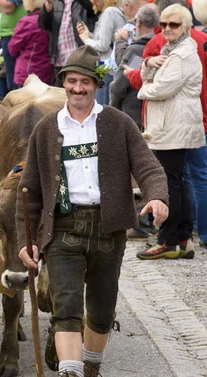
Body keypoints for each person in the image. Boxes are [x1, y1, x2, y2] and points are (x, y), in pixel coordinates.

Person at [16, 45, 168, 377]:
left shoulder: (118, 124)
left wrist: (156, 197)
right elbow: (29, 191)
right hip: (64, 229)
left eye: (85, 82)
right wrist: (27, 239)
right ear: (64, 84)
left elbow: (149, 167)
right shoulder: (48, 129)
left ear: (96, 85)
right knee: (66, 306)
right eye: (71, 81)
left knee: (100, 312)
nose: (78, 88)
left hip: (107, 229)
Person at [136, 3, 204, 259]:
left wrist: (143, 89)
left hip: (172, 127)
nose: (167, 29)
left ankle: (168, 240)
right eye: (163, 24)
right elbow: (150, 78)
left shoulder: (183, 54)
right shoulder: (170, 50)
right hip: (171, 126)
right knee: (177, 181)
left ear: (185, 27)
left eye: (173, 24)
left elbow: (161, 88)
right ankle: (181, 239)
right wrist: (149, 63)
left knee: (168, 184)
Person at [110, 3, 159, 127]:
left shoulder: (137, 50)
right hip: (155, 115)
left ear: (138, 23)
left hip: (134, 115)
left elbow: (120, 85)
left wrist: (112, 109)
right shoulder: (162, 45)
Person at [38, 0, 99, 86]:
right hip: (60, 60)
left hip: (80, 59)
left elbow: (93, 10)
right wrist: (48, 7)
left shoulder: (84, 3)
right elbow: (43, 25)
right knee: (61, 96)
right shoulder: (56, 2)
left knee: (79, 93)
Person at [76, 0, 126, 104]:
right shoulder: (112, 11)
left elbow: (103, 45)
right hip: (107, 65)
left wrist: (86, 40)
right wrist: (87, 34)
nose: (94, 2)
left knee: (101, 109)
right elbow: (104, 41)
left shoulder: (109, 12)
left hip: (106, 66)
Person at [8, 0, 53, 87]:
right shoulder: (53, 20)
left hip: (27, 71)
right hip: (47, 72)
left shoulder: (27, 21)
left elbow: (13, 49)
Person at [0, 0, 29, 93]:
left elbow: (8, 6)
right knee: (10, 77)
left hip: (15, 34)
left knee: (15, 81)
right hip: (10, 33)